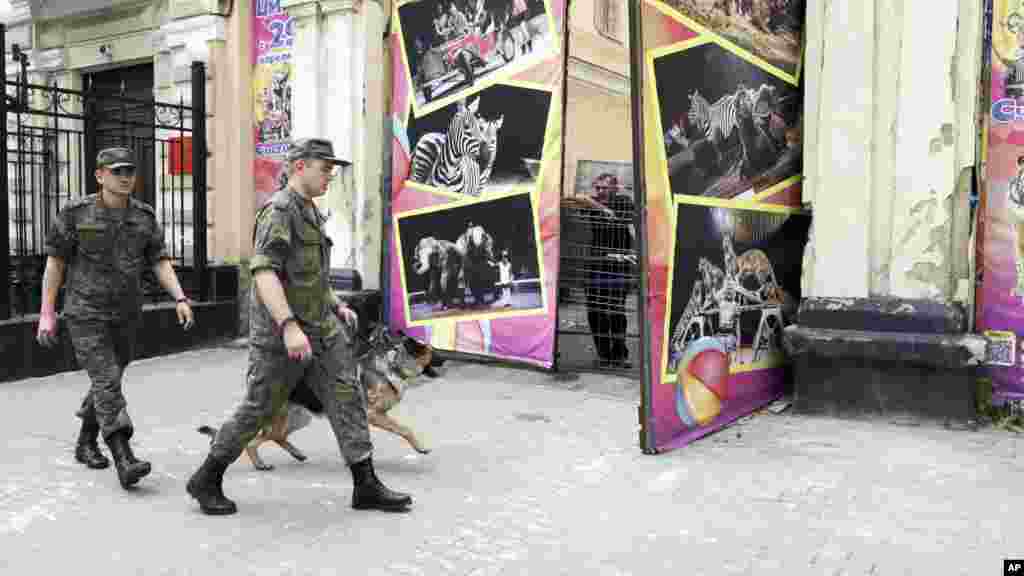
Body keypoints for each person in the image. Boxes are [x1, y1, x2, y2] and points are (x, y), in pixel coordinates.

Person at [185, 137, 412, 516]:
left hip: (321, 329)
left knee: (347, 395)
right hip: (281, 336)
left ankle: (365, 483)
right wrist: (289, 326)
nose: (330, 175)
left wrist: (336, 304)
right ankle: (208, 476)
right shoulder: (279, 211)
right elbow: (264, 272)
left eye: (332, 169)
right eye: (325, 167)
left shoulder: (308, 210)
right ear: (300, 166)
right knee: (261, 407)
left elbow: (310, 276)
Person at [36, 146, 195, 490]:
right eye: (117, 171)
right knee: (107, 380)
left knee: (108, 382)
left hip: (126, 314)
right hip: (85, 313)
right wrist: (47, 313)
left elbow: (159, 260)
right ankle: (124, 457)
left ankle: (85, 442)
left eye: (129, 172)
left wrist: (180, 297)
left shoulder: (144, 216)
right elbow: (55, 264)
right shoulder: (75, 213)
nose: (125, 178)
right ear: (100, 175)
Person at [578, 173, 636, 369]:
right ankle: (604, 354)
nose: (601, 191)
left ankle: (620, 354)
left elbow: (629, 212)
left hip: (618, 266)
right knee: (595, 310)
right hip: (597, 266)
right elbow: (576, 197)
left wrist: (604, 208)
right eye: (598, 188)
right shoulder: (593, 203)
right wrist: (599, 206)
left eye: (605, 188)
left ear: (615, 188)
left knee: (615, 310)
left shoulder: (623, 201)